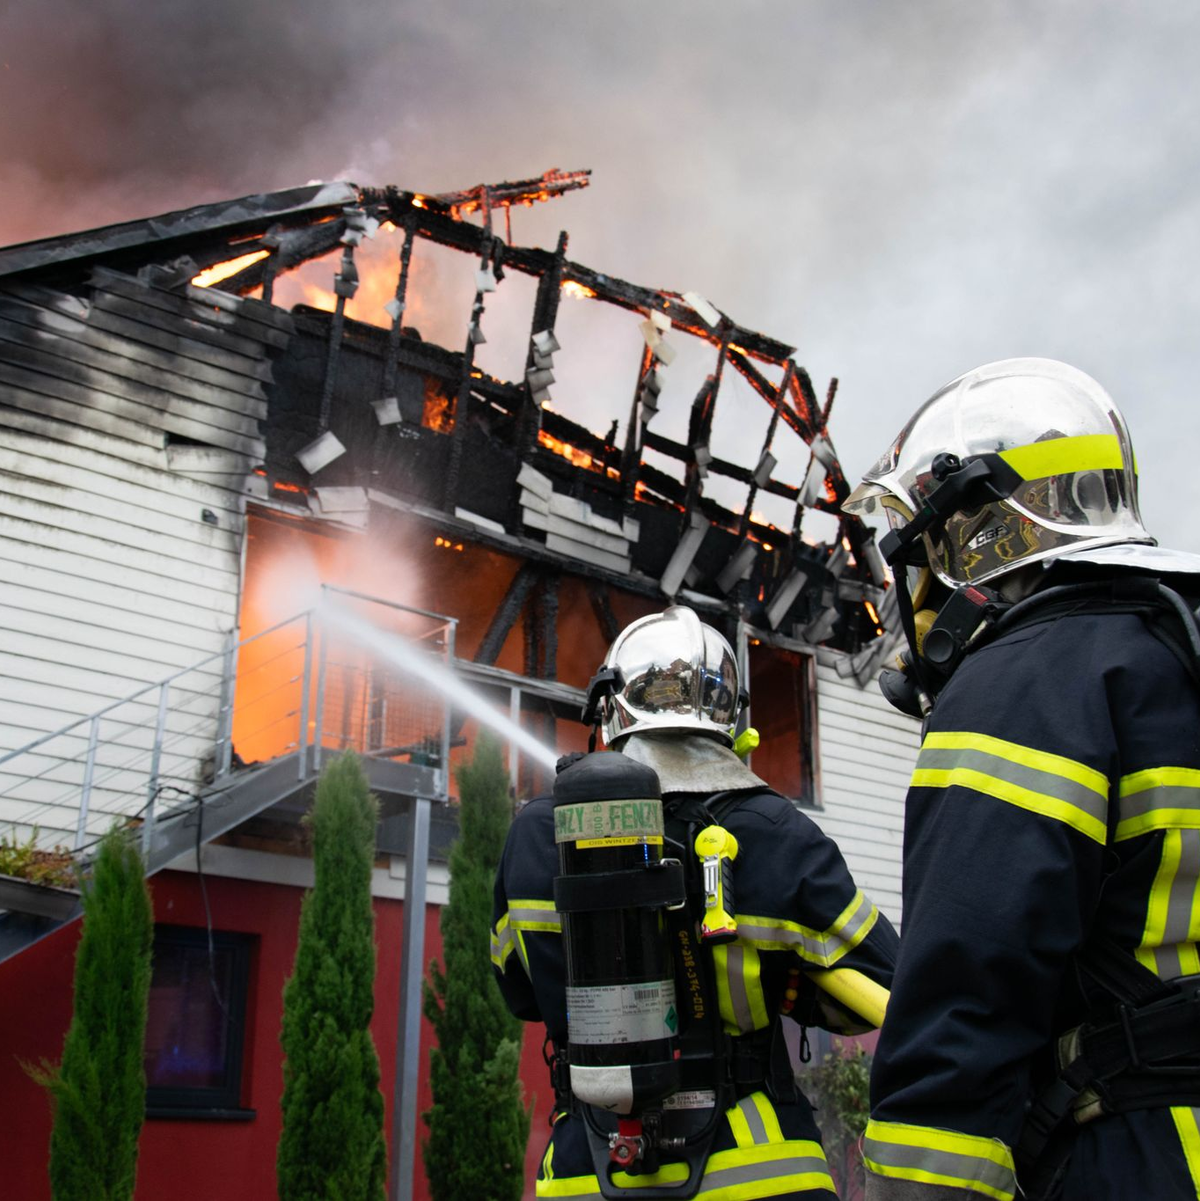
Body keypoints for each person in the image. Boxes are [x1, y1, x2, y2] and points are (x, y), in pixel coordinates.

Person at [842, 357, 1200, 1201]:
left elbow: (965, 998)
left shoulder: (1024, 681)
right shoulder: (1170, 650)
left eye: (922, 552)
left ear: (974, 534)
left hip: (1137, 1156)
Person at [491, 604, 899, 1199]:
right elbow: (879, 986)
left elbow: (519, 994)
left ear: (608, 710)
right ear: (730, 718)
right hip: (760, 1167)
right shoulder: (774, 830)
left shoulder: (537, 834)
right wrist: (786, 988)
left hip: (589, 1170)